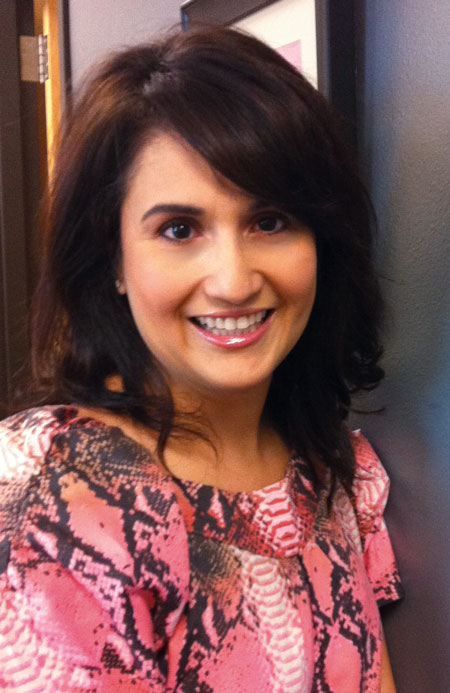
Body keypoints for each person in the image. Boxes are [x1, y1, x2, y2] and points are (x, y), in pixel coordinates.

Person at [0, 26, 402, 692]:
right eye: (179, 230)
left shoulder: (336, 471)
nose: (234, 281)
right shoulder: (53, 503)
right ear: (114, 259)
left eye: (269, 221)